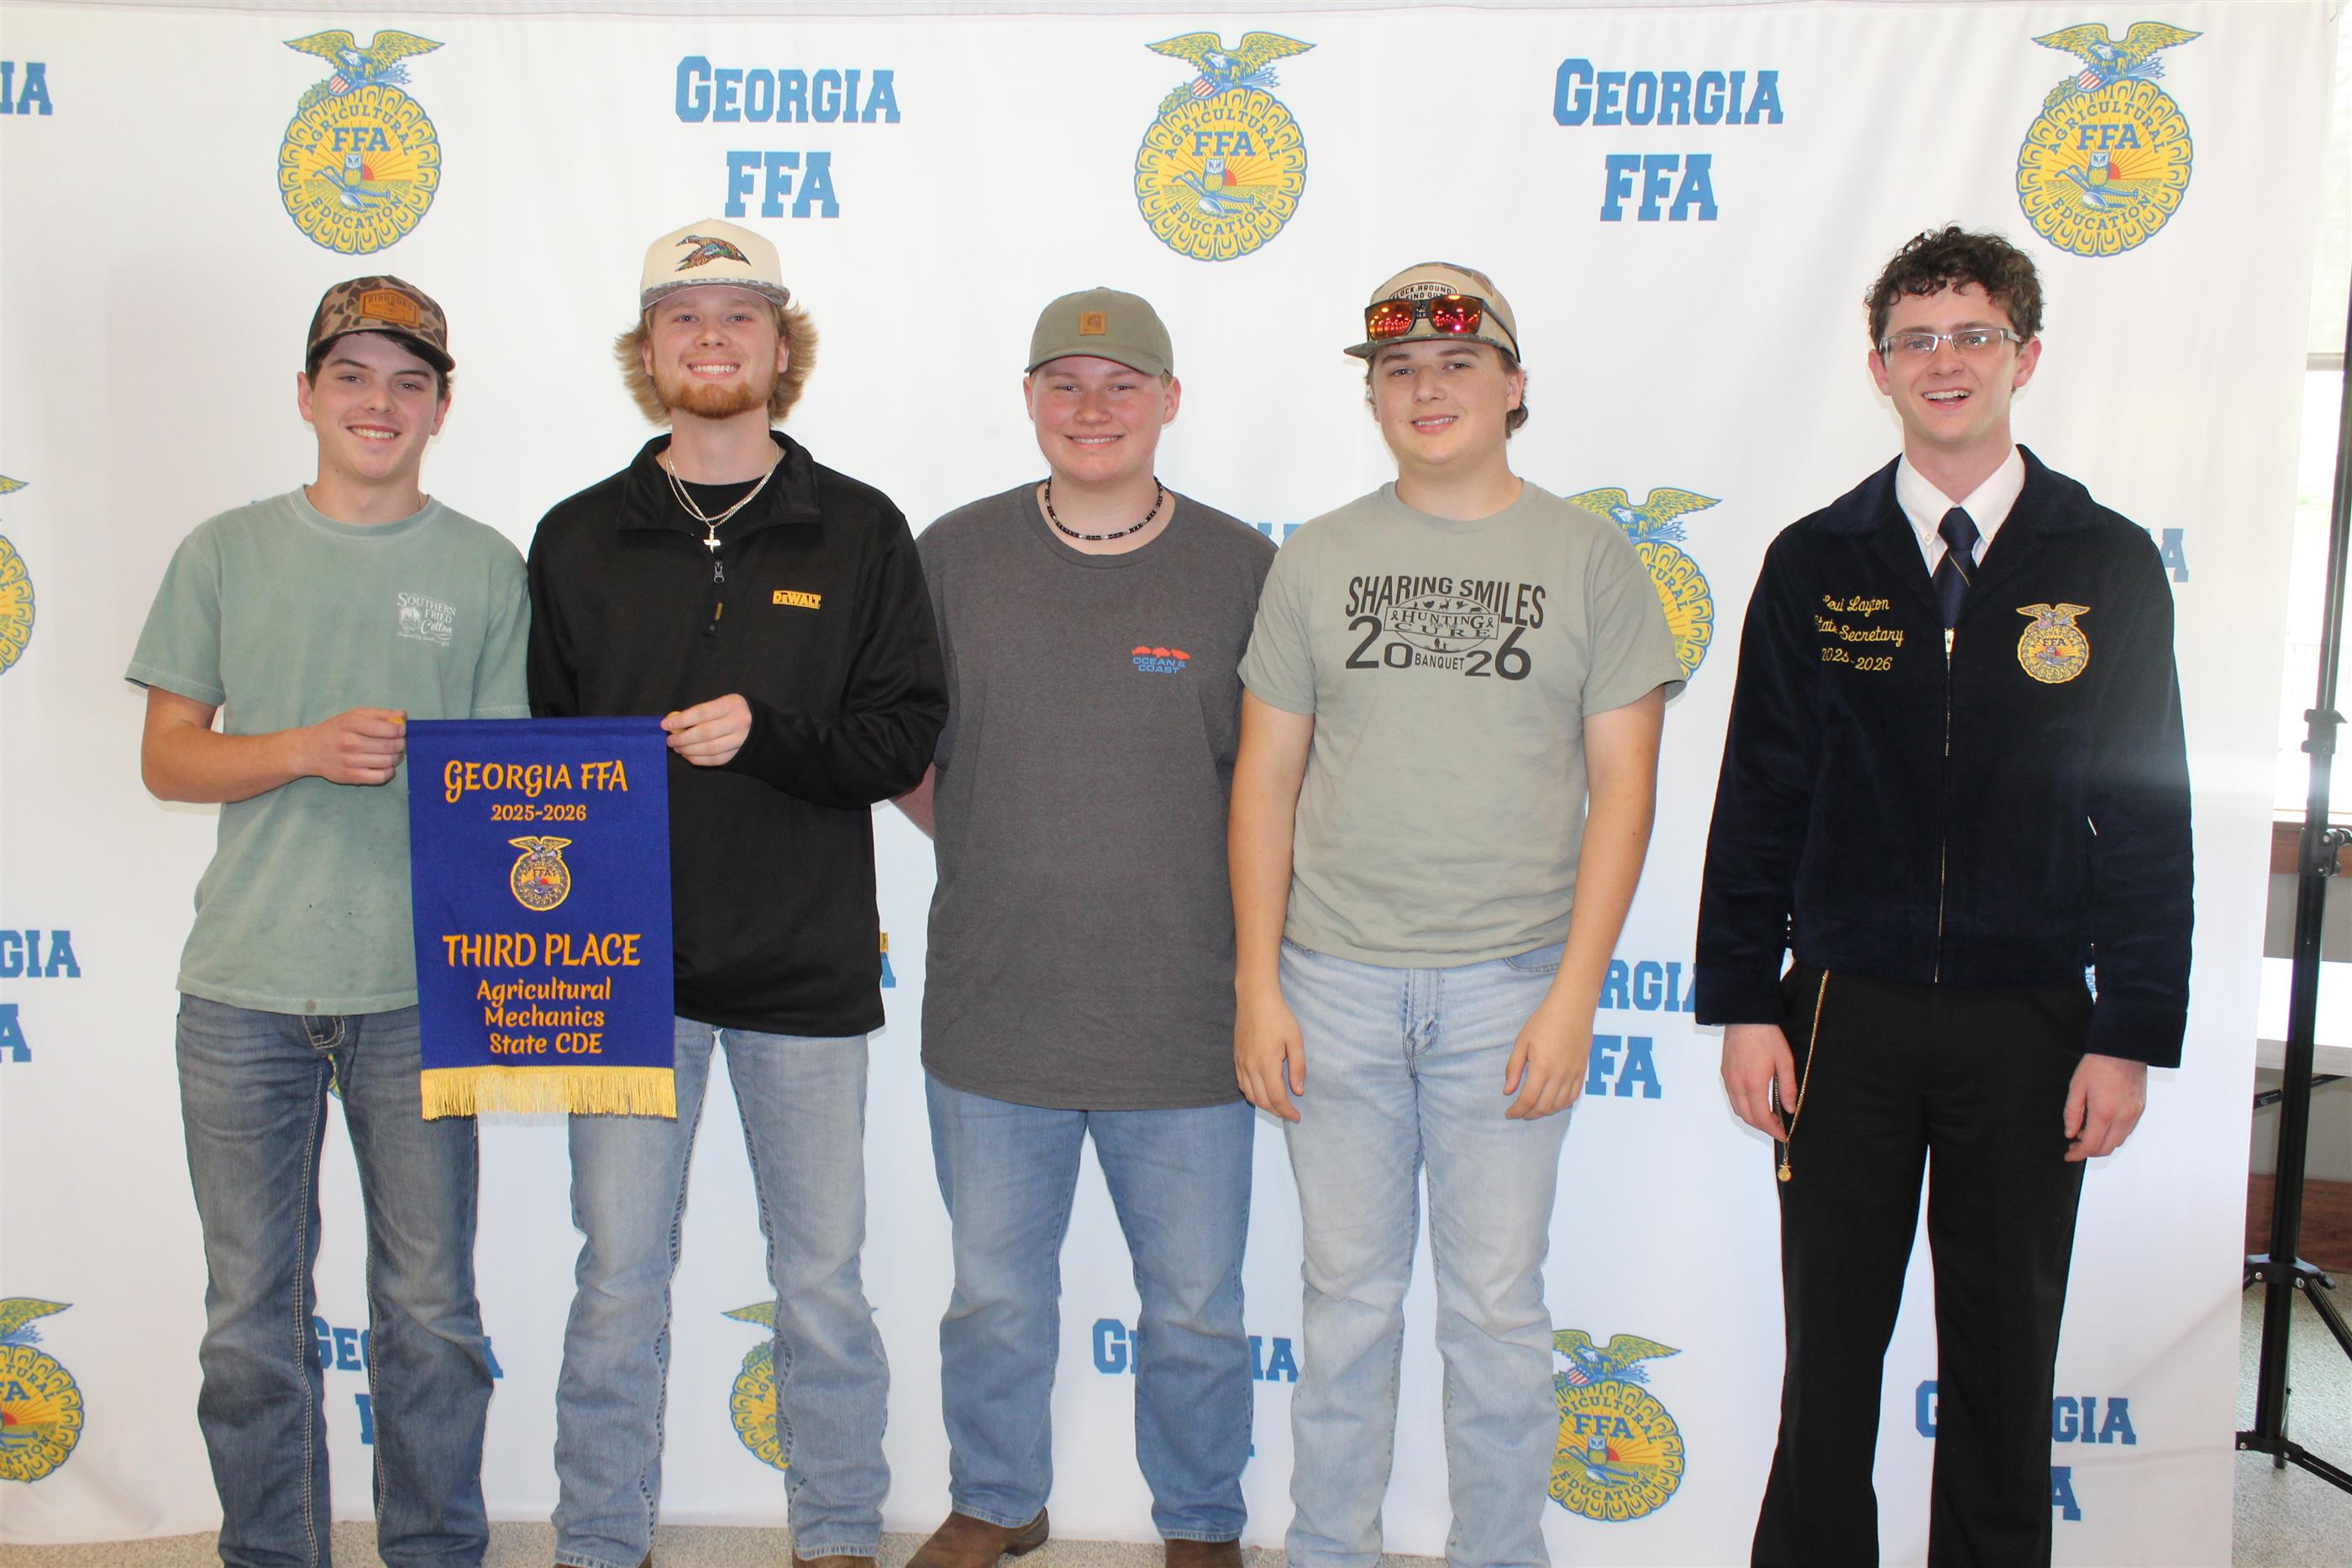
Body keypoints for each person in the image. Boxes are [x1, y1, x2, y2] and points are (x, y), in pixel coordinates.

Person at [1694, 226, 2192, 1567]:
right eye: (1915, 340)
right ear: (1879, 370)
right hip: (1843, 1014)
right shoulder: (1817, 559)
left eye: (1973, 334)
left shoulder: (2104, 560)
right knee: (1829, 1354)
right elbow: (1759, 795)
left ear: (2025, 356)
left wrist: (2130, 1028)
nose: (1945, 361)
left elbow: (2148, 812)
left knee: (2005, 1357)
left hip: (2030, 1018)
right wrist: (1745, 1002)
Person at [1228, 262, 1682, 1566]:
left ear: (1513, 386)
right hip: (1332, 986)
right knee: (1346, 1306)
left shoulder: (1592, 559)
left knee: (1494, 1311)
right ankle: (1328, 1550)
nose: (1427, 390)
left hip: (1511, 987)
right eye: (1399, 371)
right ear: (1375, 396)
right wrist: (1258, 985)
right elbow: (1265, 779)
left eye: (1457, 365)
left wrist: (1575, 998)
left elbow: (1626, 795)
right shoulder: (1318, 557)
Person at [526, 218, 945, 1568]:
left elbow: (903, 738)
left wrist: (770, 733)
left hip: (804, 972)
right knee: (615, 1280)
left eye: (739, 316)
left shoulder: (860, 527)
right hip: (617, 980)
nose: (712, 340)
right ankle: (599, 1541)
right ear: (649, 350)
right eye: (683, 318)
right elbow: (537, 763)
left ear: (781, 343)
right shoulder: (577, 535)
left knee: (820, 1284)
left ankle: (838, 1536)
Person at [129, 276, 522, 1566]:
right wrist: (300, 748)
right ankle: (271, 1553)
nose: (379, 403)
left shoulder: (486, 566)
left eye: (410, 382)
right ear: (305, 395)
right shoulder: (223, 552)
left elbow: (516, 788)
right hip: (243, 988)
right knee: (249, 1318)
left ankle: (435, 1551)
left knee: (431, 1310)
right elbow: (168, 760)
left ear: (443, 409)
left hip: (422, 993)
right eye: (351, 376)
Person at [894, 289, 1274, 1568]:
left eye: (1122, 386)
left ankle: (1202, 1521)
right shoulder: (953, 557)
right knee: (994, 1299)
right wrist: (1002, 831)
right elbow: (905, 751)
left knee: (1197, 1309)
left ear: (1169, 402)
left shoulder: (1241, 569)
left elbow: (1278, 779)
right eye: (1065, 382)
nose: (1092, 408)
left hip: (1189, 1018)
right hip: (995, 1011)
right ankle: (998, 1500)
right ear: (1028, 399)